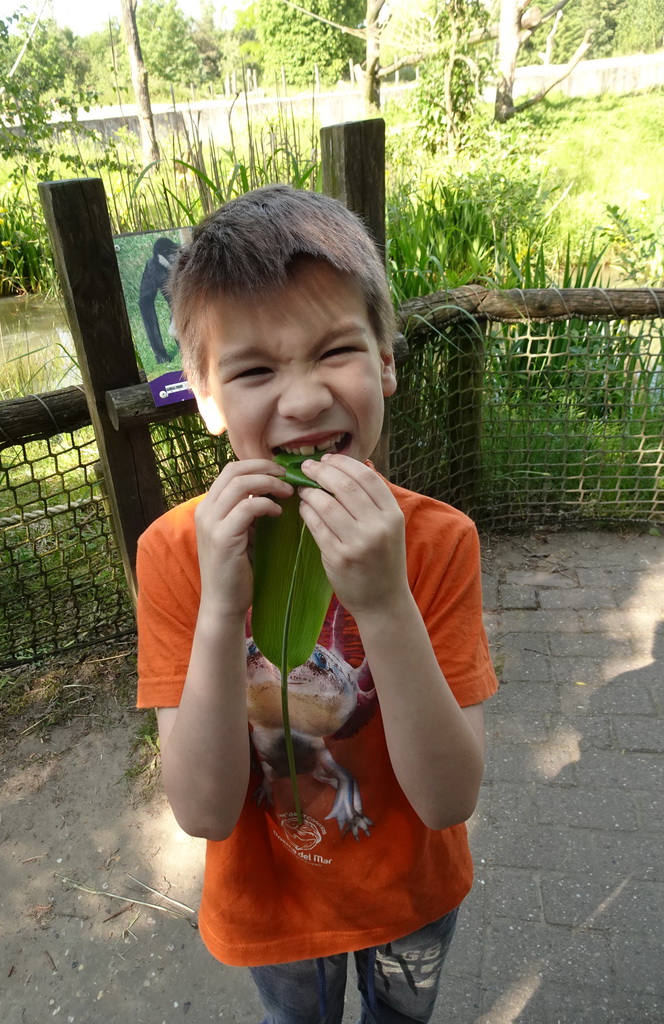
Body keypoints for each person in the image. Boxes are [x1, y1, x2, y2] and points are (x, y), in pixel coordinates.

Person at [136, 184, 498, 1024]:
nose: (301, 400)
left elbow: (450, 799)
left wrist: (382, 599)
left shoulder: (439, 542)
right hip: (270, 906)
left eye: (336, 351)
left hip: (411, 894)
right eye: (255, 369)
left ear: (386, 362)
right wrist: (224, 611)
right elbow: (201, 809)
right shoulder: (175, 556)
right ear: (205, 393)